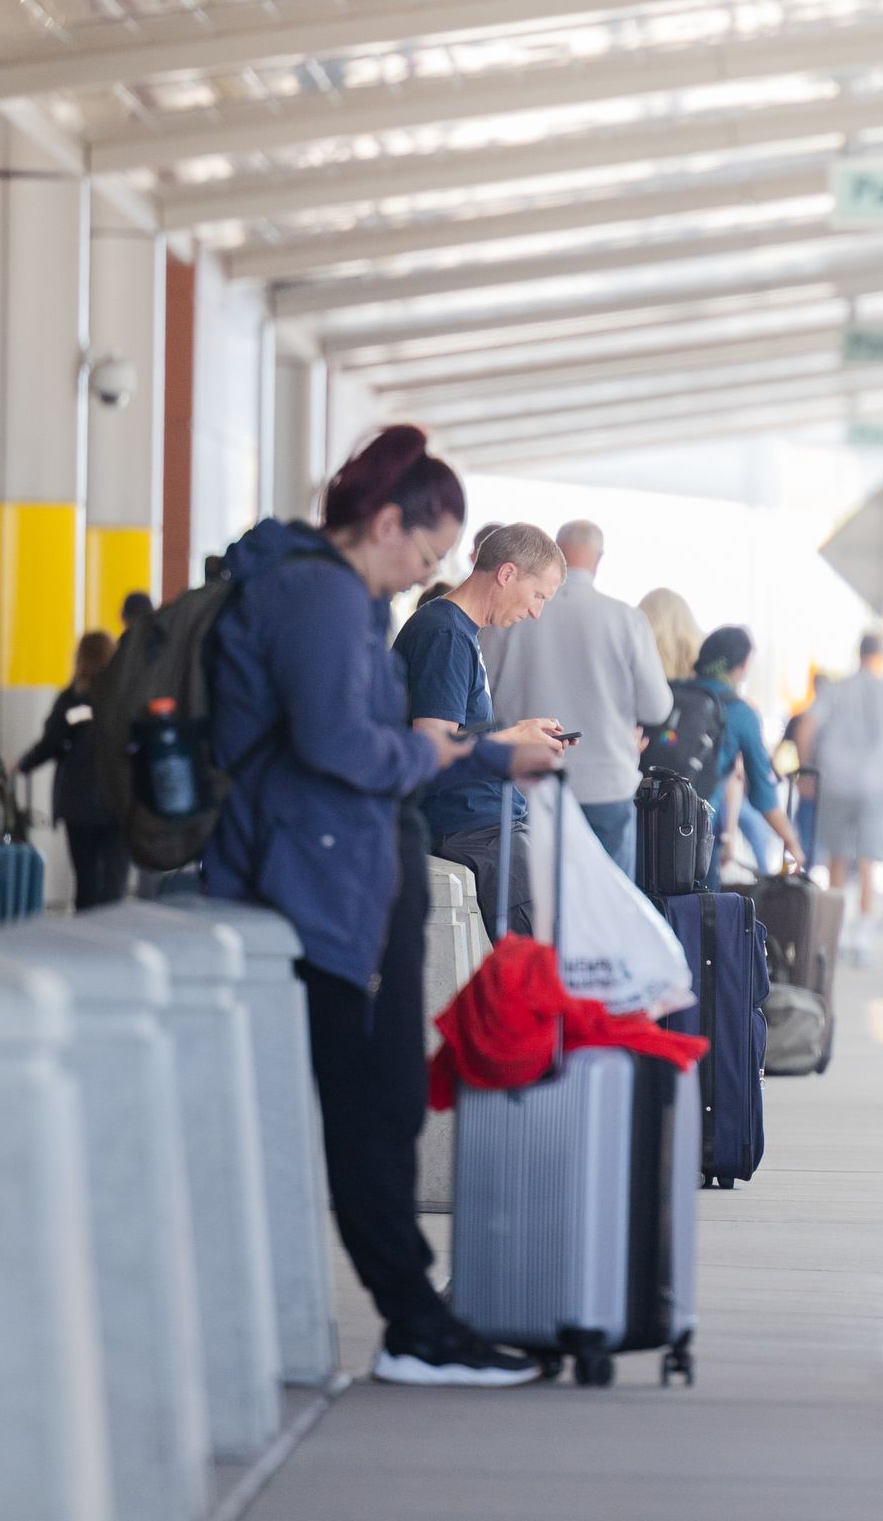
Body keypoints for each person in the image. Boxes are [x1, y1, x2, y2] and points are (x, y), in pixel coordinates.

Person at [200, 424, 565, 1389]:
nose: (429, 573)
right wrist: (484, 753)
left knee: (383, 1102)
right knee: (370, 1107)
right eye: (429, 551)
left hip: (341, 875)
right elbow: (344, 748)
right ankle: (414, 1322)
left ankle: (415, 1317)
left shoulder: (342, 596)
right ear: (389, 520)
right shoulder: (318, 595)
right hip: (314, 884)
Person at [471, 520, 670, 879]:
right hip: (605, 783)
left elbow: (482, 689)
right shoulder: (626, 618)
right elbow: (658, 707)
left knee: (536, 909)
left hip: (528, 784)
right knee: (606, 911)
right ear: (599, 558)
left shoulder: (515, 607)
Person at [396, 521, 568, 931]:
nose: (536, 612)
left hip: (488, 826)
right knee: (542, 963)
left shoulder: (459, 633)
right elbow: (431, 745)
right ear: (507, 574)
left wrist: (518, 741)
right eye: (537, 595)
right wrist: (514, 737)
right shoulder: (446, 635)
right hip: (472, 831)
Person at [804, 630, 883, 958]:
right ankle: (863, 938)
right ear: (881, 655)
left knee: (836, 858)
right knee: (868, 861)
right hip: (874, 786)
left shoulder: (836, 689)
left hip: (835, 782)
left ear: (858, 652)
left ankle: (833, 934)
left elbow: (806, 727)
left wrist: (807, 769)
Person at [676, 627, 803, 883]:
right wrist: (791, 841)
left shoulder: (673, 692)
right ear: (743, 665)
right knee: (700, 915)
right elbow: (762, 794)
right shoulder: (741, 712)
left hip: (649, 820)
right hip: (698, 833)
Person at [18, 630, 125, 910]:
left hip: (80, 804)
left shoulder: (72, 700)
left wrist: (23, 764)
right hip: (119, 801)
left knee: (86, 883)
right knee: (114, 882)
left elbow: (52, 742)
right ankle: (115, 941)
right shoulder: (126, 697)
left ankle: (87, 942)